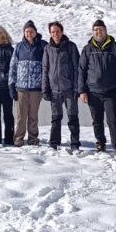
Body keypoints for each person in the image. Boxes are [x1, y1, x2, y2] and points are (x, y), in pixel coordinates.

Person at [78, 19, 116, 155]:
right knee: (97, 121)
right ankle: (100, 143)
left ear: (105, 30)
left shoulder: (115, 47)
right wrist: (82, 91)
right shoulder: (87, 49)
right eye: (96, 30)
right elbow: (81, 71)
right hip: (92, 92)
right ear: (93, 32)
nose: (98, 32)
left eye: (100, 29)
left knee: (113, 120)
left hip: (111, 91)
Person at [41, 21, 80, 150]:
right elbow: (45, 69)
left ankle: (75, 143)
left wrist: (76, 88)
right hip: (54, 90)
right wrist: (45, 89)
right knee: (56, 118)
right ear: (50, 33)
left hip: (69, 89)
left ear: (62, 32)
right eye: (53, 32)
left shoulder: (71, 46)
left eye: (57, 31)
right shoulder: (47, 48)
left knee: (72, 117)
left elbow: (76, 68)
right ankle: (54, 142)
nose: (55, 34)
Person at [8, 20, 45, 147]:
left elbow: (46, 66)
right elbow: (13, 66)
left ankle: (33, 139)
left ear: (35, 32)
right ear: (24, 33)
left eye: (31, 31)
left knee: (33, 115)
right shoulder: (19, 47)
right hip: (21, 88)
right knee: (21, 116)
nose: (29, 33)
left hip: (36, 88)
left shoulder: (42, 46)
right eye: (27, 31)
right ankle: (18, 138)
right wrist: (11, 85)